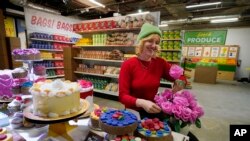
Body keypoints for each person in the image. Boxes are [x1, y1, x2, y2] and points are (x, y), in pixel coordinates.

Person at [119, 23, 187, 118]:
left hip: (153, 110)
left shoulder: (160, 63)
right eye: (150, 41)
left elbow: (180, 75)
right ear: (141, 42)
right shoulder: (128, 64)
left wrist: (179, 84)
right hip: (133, 113)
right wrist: (142, 103)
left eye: (157, 42)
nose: (154, 45)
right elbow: (123, 96)